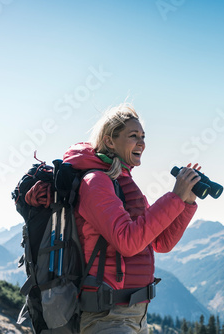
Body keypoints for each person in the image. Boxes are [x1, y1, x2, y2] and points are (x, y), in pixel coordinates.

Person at [63, 102, 200, 333]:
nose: (141, 143)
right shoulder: (95, 182)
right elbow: (128, 242)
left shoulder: (124, 184)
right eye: (133, 136)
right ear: (109, 141)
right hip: (108, 317)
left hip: (135, 317)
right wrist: (174, 197)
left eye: (143, 136)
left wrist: (186, 201)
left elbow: (161, 242)